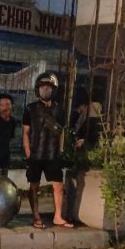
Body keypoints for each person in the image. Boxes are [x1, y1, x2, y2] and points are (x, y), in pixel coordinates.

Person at [22, 72, 74, 229]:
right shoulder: (30, 109)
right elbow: (25, 132)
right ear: (38, 89)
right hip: (35, 153)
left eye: (48, 87)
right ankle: (36, 216)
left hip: (53, 153)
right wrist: (28, 152)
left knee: (58, 185)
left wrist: (61, 150)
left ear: (53, 89)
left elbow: (62, 131)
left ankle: (58, 216)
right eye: (42, 87)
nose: (45, 89)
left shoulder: (59, 110)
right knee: (34, 186)